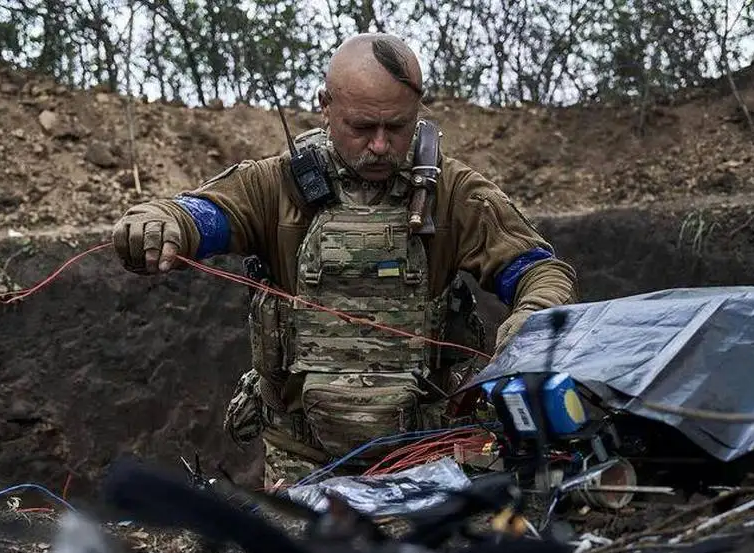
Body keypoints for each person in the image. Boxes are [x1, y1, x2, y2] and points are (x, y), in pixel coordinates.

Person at [112, 33, 578, 489]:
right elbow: (204, 215)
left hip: (425, 458)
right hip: (301, 463)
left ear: (418, 112)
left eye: (397, 127)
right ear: (326, 106)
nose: (380, 145)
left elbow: (538, 269)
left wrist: (534, 316)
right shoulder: (278, 186)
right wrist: (161, 223)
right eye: (361, 127)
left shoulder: (453, 192)